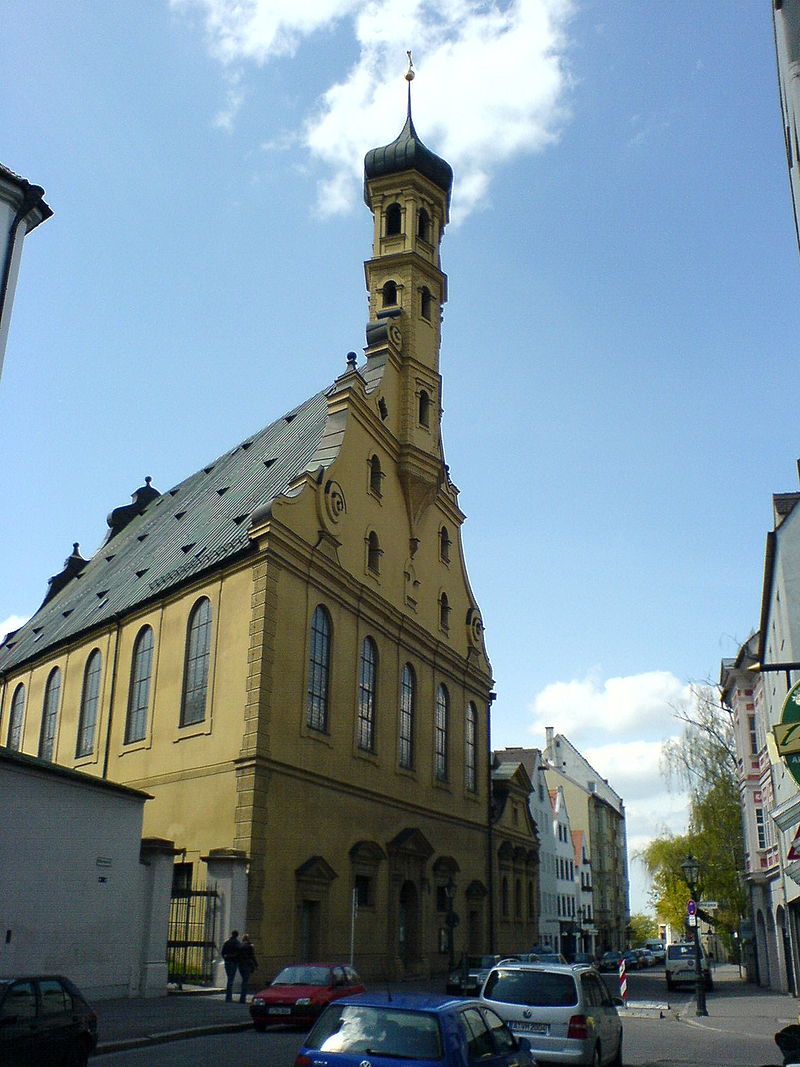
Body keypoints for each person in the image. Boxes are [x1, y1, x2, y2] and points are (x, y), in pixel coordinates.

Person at [221, 930, 241, 1002]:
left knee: (229, 978)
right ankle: (229, 997)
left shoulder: (227, 942)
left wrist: (225, 958)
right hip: (233, 962)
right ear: (237, 935)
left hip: (227, 961)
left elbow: (222, 952)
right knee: (231, 979)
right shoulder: (237, 943)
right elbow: (239, 953)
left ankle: (228, 996)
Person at [237, 934, 258, 1004]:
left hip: (240, 965)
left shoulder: (239, 946)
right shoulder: (250, 946)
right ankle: (242, 998)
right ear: (248, 939)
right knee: (245, 981)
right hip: (247, 964)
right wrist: (256, 964)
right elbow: (252, 956)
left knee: (244, 980)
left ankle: (242, 998)